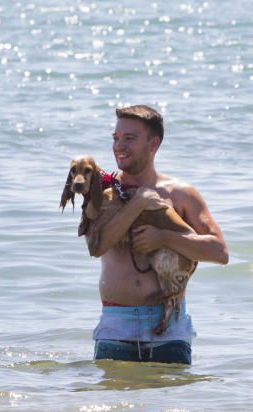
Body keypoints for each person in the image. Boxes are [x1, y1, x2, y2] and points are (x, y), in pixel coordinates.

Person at [86, 105, 228, 364]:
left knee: (171, 403)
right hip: (116, 325)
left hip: (170, 327)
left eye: (129, 139)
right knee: (113, 403)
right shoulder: (102, 191)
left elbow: (219, 252)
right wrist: (137, 204)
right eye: (116, 138)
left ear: (154, 144)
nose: (119, 146)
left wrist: (165, 237)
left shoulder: (181, 193)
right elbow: (97, 247)